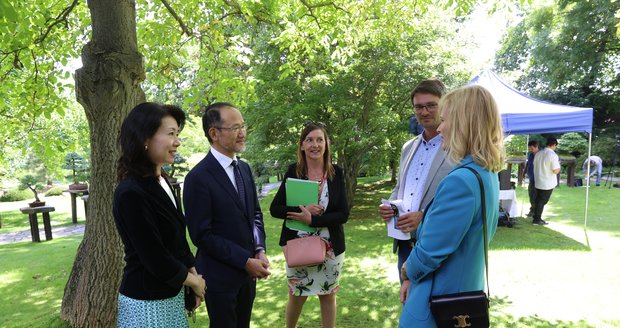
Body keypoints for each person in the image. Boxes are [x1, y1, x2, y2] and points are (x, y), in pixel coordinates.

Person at [398, 85, 504, 327]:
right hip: (461, 291)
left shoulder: (461, 180)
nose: (441, 127)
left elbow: (431, 252)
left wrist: (407, 271)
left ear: (463, 124)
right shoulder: (485, 173)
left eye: (445, 120)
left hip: (439, 300)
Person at [113, 102, 206, 327]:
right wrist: (194, 282)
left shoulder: (163, 180)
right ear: (145, 138)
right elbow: (155, 257)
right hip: (146, 303)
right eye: (171, 134)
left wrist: (193, 271)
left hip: (169, 296)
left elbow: (176, 240)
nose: (177, 141)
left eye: (178, 134)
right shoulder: (131, 192)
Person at [184, 102, 270, 328]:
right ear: (214, 133)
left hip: (248, 277)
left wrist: (259, 250)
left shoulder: (244, 169)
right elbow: (202, 235)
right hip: (219, 278)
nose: (242, 133)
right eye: (235, 128)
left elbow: (256, 216)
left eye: (243, 126)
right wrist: (244, 261)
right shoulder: (198, 178)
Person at [270, 122, 349, 328]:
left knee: (328, 295)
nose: (315, 145)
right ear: (302, 145)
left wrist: (314, 221)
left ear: (326, 144)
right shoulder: (293, 172)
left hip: (331, 249)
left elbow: (343, 214)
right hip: (299, 249)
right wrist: (301, 210)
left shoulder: (336, 173)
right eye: (310, 140)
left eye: (319, 139)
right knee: (297, 295)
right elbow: (275, 209)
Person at [377, 79, 453, 287]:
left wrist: (424, 217)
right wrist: (389, 205)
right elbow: (400, 187)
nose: (424, 111)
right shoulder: (408, 147)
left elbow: (456, 199)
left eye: (431, 105)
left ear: (444, 106)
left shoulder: (457, 148)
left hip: (435, 245)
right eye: (419, 107)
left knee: (436, 310)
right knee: (408, 305)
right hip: (404, 243)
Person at [531, 137, 561, 225]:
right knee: (542, 201)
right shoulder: (553, 155)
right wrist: (559, 166)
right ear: (554, 145)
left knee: (538, 200)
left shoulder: (538, 153)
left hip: (538, 180)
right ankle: (537, 219)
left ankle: (536, 217)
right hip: (547, 182)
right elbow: (556, 170)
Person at [525, 140, 540, 216]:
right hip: (531, 178)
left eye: (532, 148)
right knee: (531, 194)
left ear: (536, 147)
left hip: (538, 179)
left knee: (536, 196)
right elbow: (528, 164)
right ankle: (532, 210)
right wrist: (525, 171)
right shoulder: (531, 155)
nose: (530, 150)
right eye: (529, 148)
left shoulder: (541, 155)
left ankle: (535, 212)